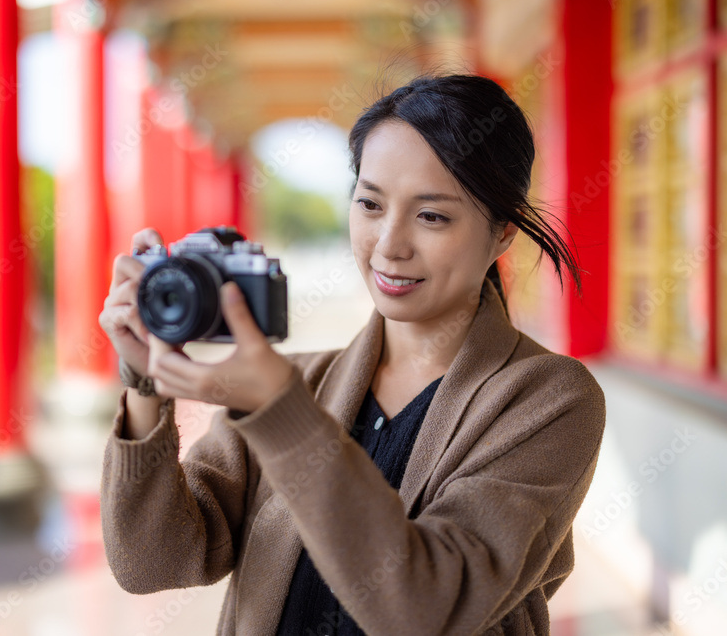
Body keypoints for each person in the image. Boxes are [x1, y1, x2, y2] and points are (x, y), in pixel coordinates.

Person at [97, 74, 606, 635]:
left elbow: (428, 607)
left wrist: (281, 413)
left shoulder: (550, 400)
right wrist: (145, 386)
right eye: (369, 204)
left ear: (503, 232)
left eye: (431, 215)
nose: (389, 244)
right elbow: (153, 565)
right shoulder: (300, 380)